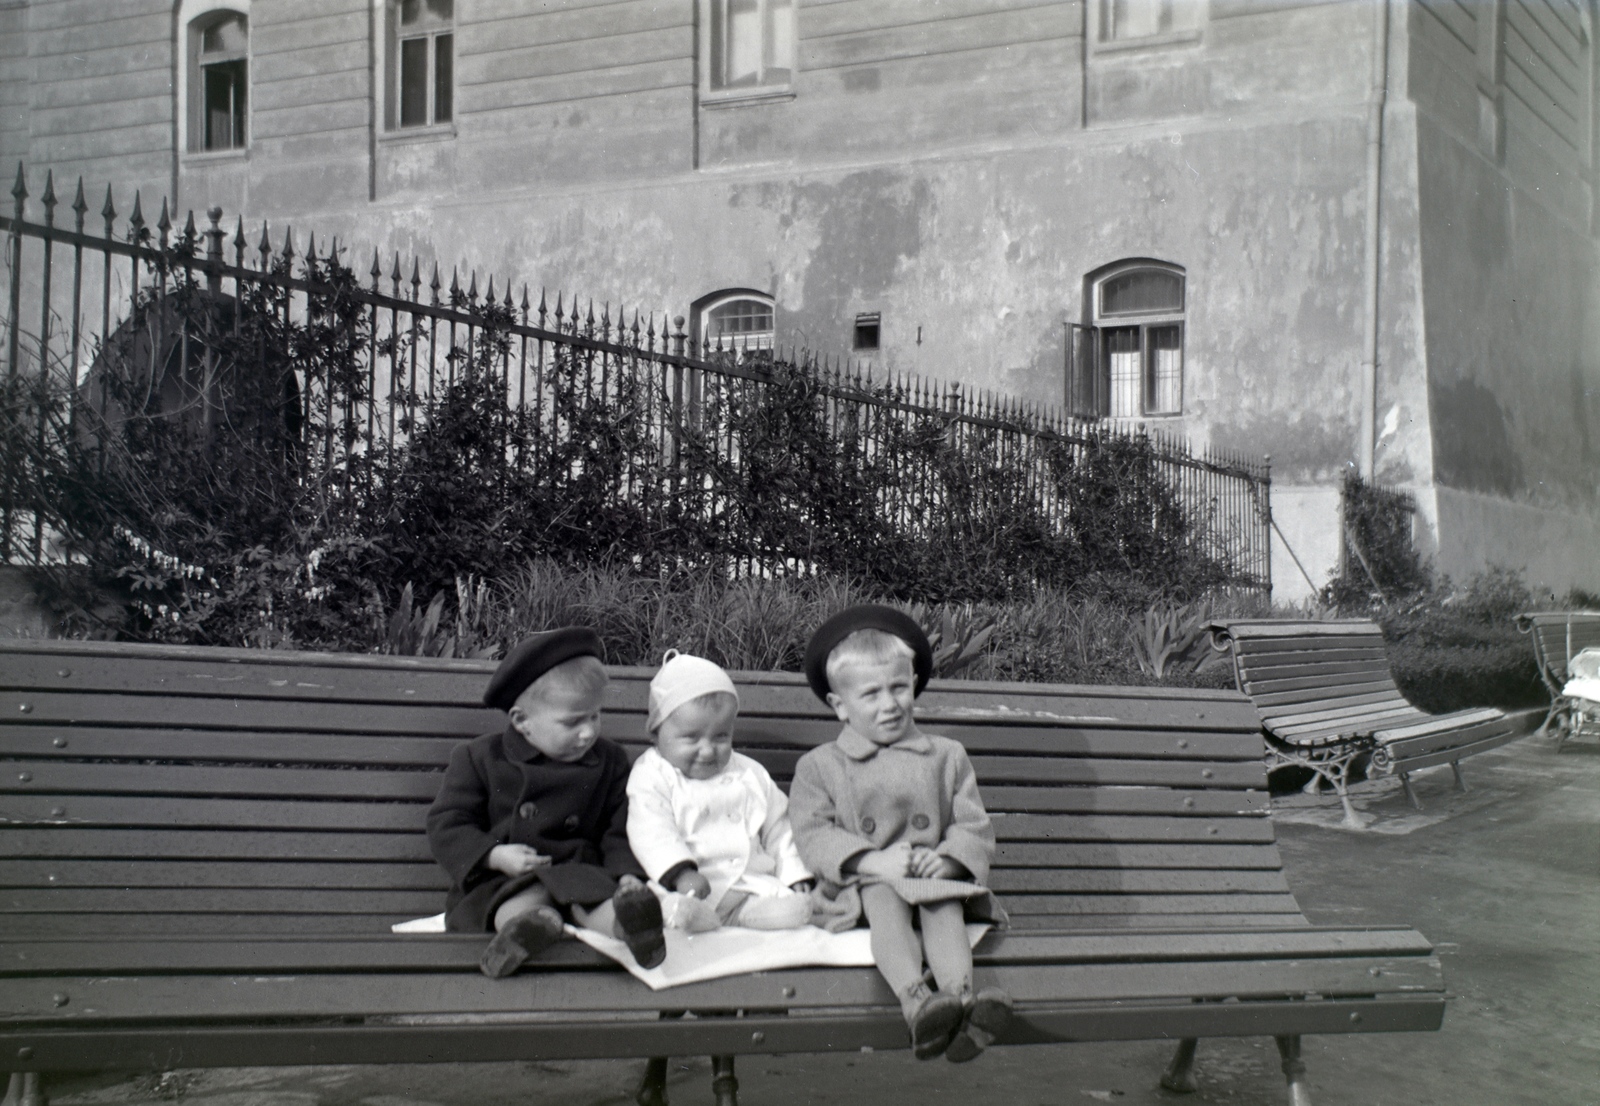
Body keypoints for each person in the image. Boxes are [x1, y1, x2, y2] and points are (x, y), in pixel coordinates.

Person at [789, 605, 1013, 1063]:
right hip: (866, 882)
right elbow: (811, 833)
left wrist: (949, 858)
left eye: (898, 687)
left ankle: (963, 1001)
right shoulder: (820, 766)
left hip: (928, 872)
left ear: (913, 683)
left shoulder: (946, 756)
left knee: (943, 901)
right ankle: (917, 1004)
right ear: (840, 706)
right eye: (870, 694)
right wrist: (871, 861)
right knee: (886, 904)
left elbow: (972, 824)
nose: (888, 704)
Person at [426, 627, 666, 978]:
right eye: (572, 722)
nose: (588, 732)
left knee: (599, 902)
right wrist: (493, 854)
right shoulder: (480, 758)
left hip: (581, 872)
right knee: (523, 905)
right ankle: (522, 935)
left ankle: (633, 928)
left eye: (595, 716)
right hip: (509, 877)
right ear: (522, 721)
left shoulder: (609, 760)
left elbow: (621, 826)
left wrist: (627, 874)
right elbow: (448, 822)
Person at [627, 650, 814, 931]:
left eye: (721, 736)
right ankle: (691, 918)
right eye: (691, 737)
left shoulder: (749, 772)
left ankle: (761, 914)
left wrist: (794, 874)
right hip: (689, 885)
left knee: (785, 908)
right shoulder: (652, 774)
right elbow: (651, 829)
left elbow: (780, 827)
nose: (707, 749)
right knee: (676, 909)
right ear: (655, 734)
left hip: (749, 884)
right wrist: (681, 872)